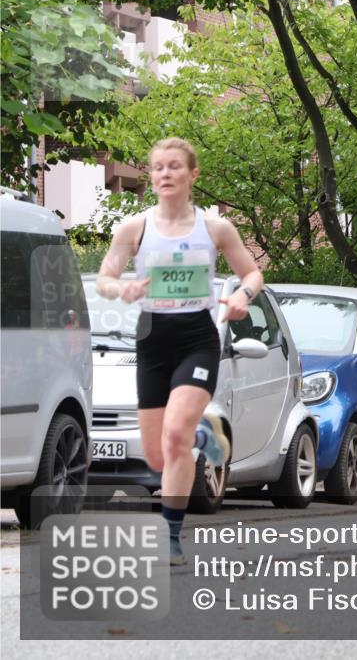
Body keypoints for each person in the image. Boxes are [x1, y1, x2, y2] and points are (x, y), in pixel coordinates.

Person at [96, 138, 262, 564]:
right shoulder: (134, 228)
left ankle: (171, 534)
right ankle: (206, 436)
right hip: (152, 341)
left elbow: (252, 272)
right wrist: (124, 288)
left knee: (175, 434)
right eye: (157, 168)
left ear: (193, 174)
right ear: (151, 177)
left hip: (196, 339)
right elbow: (104, 279)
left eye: (174, 166)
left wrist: (243, 294)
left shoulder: (214, 228)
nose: (165, 174)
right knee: (158, 454)